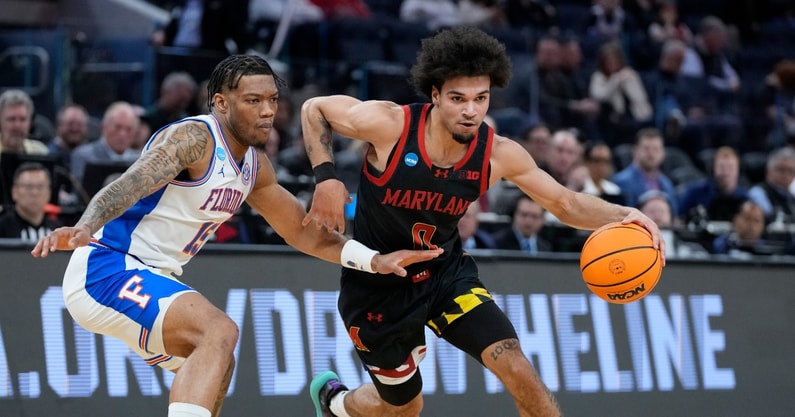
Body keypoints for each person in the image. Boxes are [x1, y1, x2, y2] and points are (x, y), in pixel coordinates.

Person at [30, 55, 441, 417]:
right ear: (221, 103)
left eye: (272, 100)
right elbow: (129, 183)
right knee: (219, 331)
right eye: (253, 101)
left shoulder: (254, 167)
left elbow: (303, 233)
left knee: (218, 362)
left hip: (153, 275)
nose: (268, 111)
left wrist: (372, 260)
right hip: (107, 267)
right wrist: (85, 225)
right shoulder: (195, 138)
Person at [299, 26, 664, 417]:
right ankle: (335, 404)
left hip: (444, 275)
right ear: (435, 95)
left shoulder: (497, 154)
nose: (471, 111)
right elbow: (314, 109)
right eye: (458, 98)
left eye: (481, 98)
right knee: (403, 407)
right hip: (377, 285)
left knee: (517, 367)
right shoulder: (391, 125)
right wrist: (327, 178)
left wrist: (624, 214)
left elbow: (564, 201)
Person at [69, 101, 142, 183]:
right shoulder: (83, 156)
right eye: (117, 127)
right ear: (104, 126)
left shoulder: (140, 161)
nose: (122, 134)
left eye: (129, 129)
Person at [0, 162, 62, 243]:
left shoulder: (58, 230)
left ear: (49, 193)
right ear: (14, 192)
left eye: (40, 187)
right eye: (28, 186)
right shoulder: (2, 227)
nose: (34, 193)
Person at [0, 89, 49, 155]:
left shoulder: (40, 151)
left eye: (22, 119)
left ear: (30, 122)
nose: (17, 126)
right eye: (11, 119)